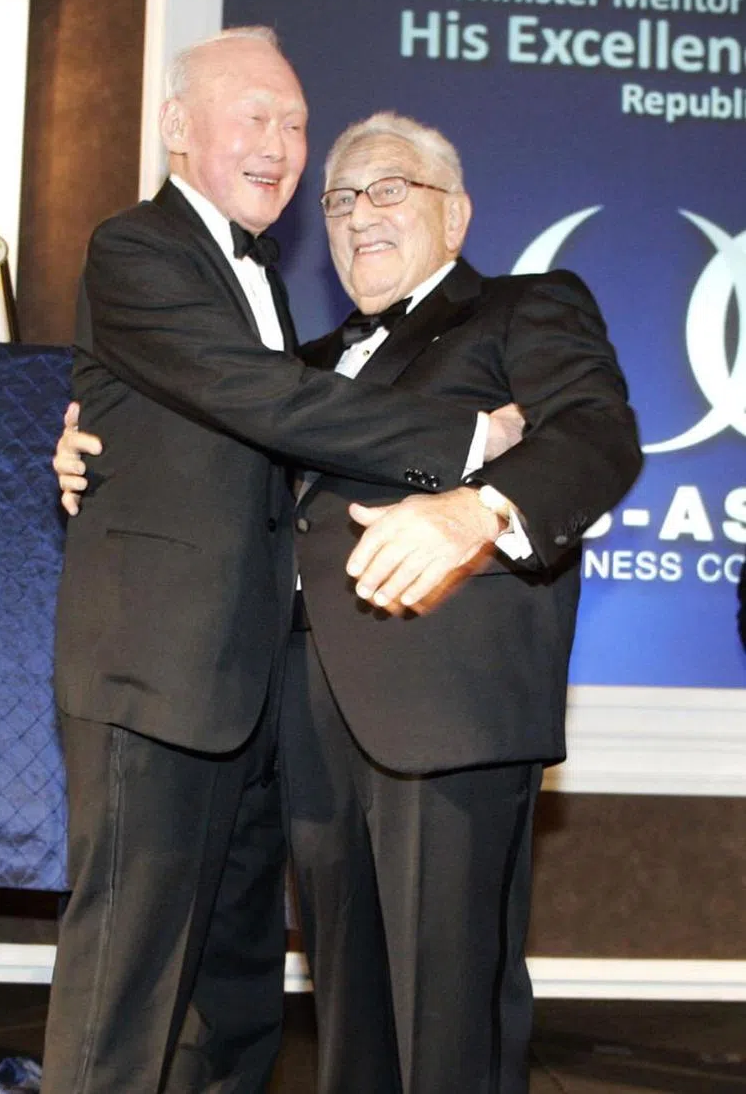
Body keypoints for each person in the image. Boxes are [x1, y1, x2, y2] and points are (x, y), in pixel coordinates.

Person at [55, 109, 642, 1094]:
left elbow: (596, 436)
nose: (358, 213)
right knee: (351, 1028)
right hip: (297, 720)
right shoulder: (303, 364)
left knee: (446, 1029)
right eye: (337, 199)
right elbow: (221, 453)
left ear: (454, 216)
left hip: (445, 712)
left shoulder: (526, 306)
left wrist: (476, 512)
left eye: (389, 188)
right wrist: (87, 459)